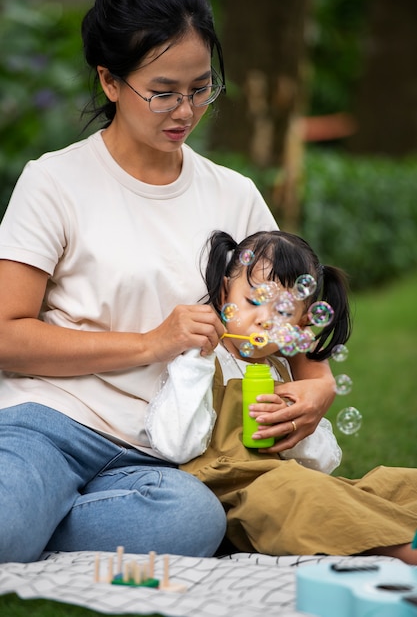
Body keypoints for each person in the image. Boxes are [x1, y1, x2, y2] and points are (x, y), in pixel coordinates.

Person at [0, 0, 336, 564]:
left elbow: (293, 317)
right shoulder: (54, 182)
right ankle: (27, 509)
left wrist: (318, 387)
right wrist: (151, 343)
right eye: (162, 93)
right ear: (110, 81)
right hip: (48, 423)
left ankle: (39, 519)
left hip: (160, 454)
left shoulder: (233, 194)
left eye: (201, 89)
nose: (184, 111)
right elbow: (8, 335)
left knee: (193, 520)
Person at [149, 230, 417, 564]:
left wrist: (292, 430)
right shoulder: (204, 360)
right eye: (253, 301)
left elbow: (322, 464)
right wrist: (195, 365)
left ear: (303, 324)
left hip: (289, 483)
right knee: (307, 495)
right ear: (223, 294)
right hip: (235, 497)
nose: (263, 319)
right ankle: (402, 550)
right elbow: (175, 446)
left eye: (282, 312)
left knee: (393, 484)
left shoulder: (280, 369)